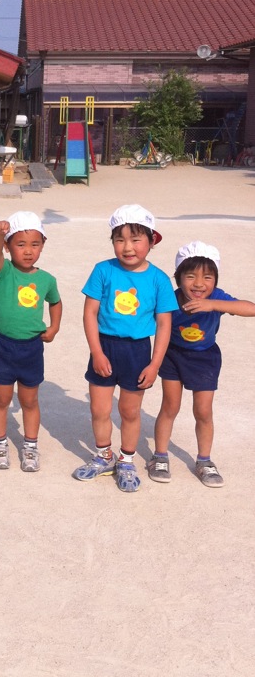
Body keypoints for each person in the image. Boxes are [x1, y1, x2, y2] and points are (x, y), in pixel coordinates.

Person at [74, 204, 178, 492]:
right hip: (105, 347)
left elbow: (164, 324)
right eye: (119, 239)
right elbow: (90, 313)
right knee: (99, 409)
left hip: (138, 352)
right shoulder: (103, 270)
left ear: (152, 241)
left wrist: (154, 364)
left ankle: (127, 460)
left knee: (130, 411)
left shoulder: (159, 279)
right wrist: (96, 352)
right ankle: (104, 455)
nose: (127, 247)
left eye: (135, 239)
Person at [149, 241, 255, 487]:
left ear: (215, 280)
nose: (199, 284)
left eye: (207, 277)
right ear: (178, 278)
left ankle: (204, 460)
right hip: (173, 355)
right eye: (190, 276)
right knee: (170, 406)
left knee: (203, 411)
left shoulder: (216, 297)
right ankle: (160, 456)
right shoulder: (170, 298)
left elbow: (250, 308)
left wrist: (213, 305)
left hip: (205, 358)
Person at [0, 211, 62, 472]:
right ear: (8, 247)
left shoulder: (46, 279)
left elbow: (55, 302)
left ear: (43, 245)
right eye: (20, 244)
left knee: (29, 400)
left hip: (31, 348)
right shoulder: (3, 271)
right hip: (2, 346)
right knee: (1, 398)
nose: (28, 251)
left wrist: (54, 327)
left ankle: (30, 446)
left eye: (34, 244)